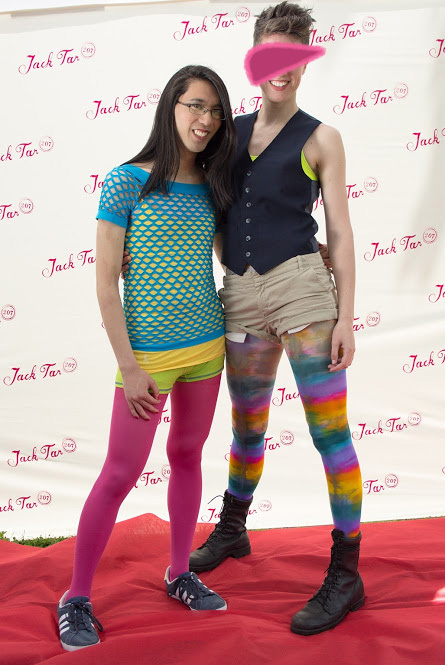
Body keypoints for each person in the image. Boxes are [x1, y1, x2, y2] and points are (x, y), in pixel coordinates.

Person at [188, 2, 364, 636]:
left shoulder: (322, 138)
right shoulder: (227, 134)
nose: (281, 67)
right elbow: (207, 212)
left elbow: (340, 232)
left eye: (294, 55)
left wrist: (347, 315)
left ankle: (346, 572)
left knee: (330, 435)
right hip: (240, 295)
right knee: (247, 426)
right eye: (272, 53)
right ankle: (233, 529)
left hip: (304, 293)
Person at [56, 65, 237, 651]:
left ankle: (179, 571)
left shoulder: (213, 184)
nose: (204, 120)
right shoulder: (124, 182)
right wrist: (130, 366)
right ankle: (76, 597)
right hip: (148, 360)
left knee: (187, 455)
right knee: (119, 473)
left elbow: (229, 252)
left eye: (215, 111)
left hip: (208, 349)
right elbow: (107, 284)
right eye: (195, 106)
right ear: (171, 106)